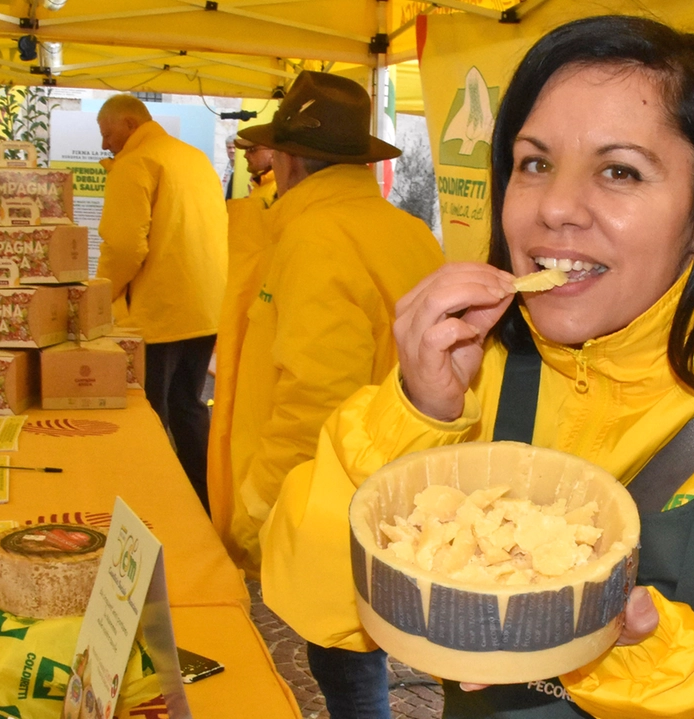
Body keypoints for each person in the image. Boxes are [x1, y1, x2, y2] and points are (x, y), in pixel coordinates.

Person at [261, 15, 694, 719]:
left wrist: (617, 640)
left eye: (619, 171)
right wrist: (414, 412)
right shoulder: (482, 366)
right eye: (534, 163)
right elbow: (316, 599)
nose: (555, 208)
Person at [209, 71, 444, 586]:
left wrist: (252, 514)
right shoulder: (409, 231)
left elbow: (314, 406)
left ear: (288, 160)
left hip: (330, 505)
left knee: (342, 653)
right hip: (402, 494)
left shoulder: (313, 239)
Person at [97, 94, 227, 512]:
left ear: (131, 124)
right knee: (188, 405)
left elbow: (122, 246)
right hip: (205, 309)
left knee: (148, 416)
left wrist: (100, 295)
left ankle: (154, 507)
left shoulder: (137, 163)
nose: (104, 144)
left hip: (159, 315)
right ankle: (207, 503)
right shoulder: (192, 158)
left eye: (107, 132)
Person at [235, 136, 278, 205]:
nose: (245, 155)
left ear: (273, 153)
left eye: (252, 150)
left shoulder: (280, 188)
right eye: (246, 150)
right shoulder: (260, 185)